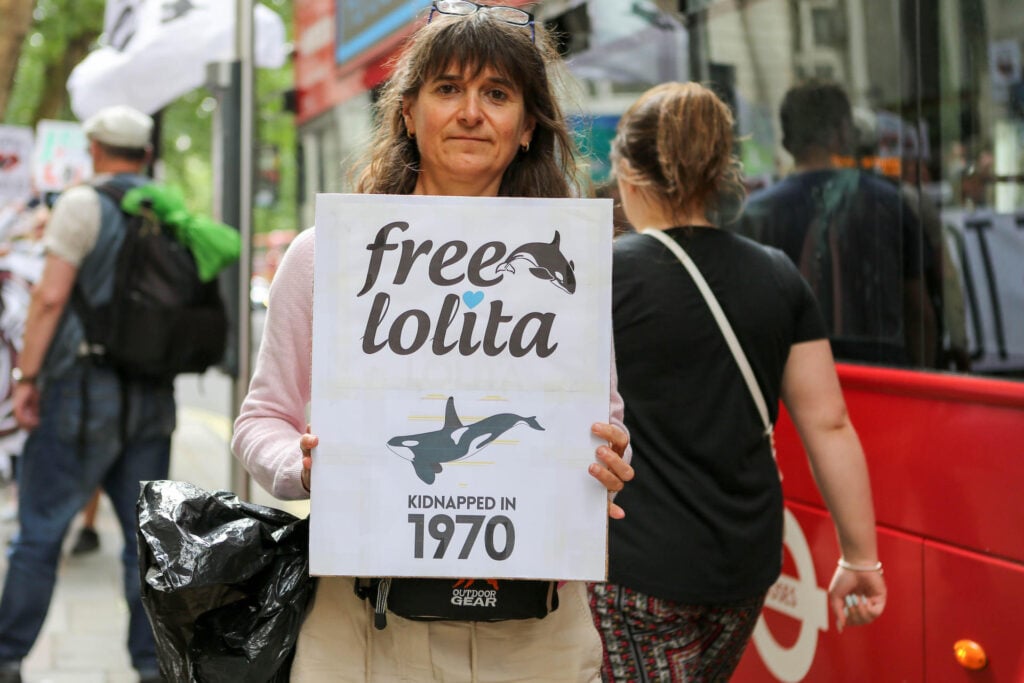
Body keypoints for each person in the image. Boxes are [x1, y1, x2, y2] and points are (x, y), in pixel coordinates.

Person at [231, 5, 633, 681]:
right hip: (365, 631)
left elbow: (607, 415)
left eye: (497, 94)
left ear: (528, 125)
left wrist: (608, 456)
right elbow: (259, 422)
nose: (471, 112)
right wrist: (303, 467)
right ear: (407, 113)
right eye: (448, 88)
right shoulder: (325, 255)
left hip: (538, 638)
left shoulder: (574, 268)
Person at [588, 82, 886, 681]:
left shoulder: (600, 274)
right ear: (722, 169)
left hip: (637, 571)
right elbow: (829, 423)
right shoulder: (777, 275)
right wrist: (862, 557)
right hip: (745, 569)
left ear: (627, 170)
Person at [0, 105, 172, 683]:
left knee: (42, 529)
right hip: (152, 396)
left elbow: (49, 300)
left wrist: (25, 380)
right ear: (146, 155)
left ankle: (6, 656)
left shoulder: (80, 205)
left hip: (81, 392)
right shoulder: (168, 209)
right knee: (145, 541)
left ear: (94, 149)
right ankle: (150, 664)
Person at [738, 79, 937, 367]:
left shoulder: (755, 215)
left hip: (792, 380)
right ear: (844, 133)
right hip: (883, 376)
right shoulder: (890, 203)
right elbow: (919, 310)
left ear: (786, 143)